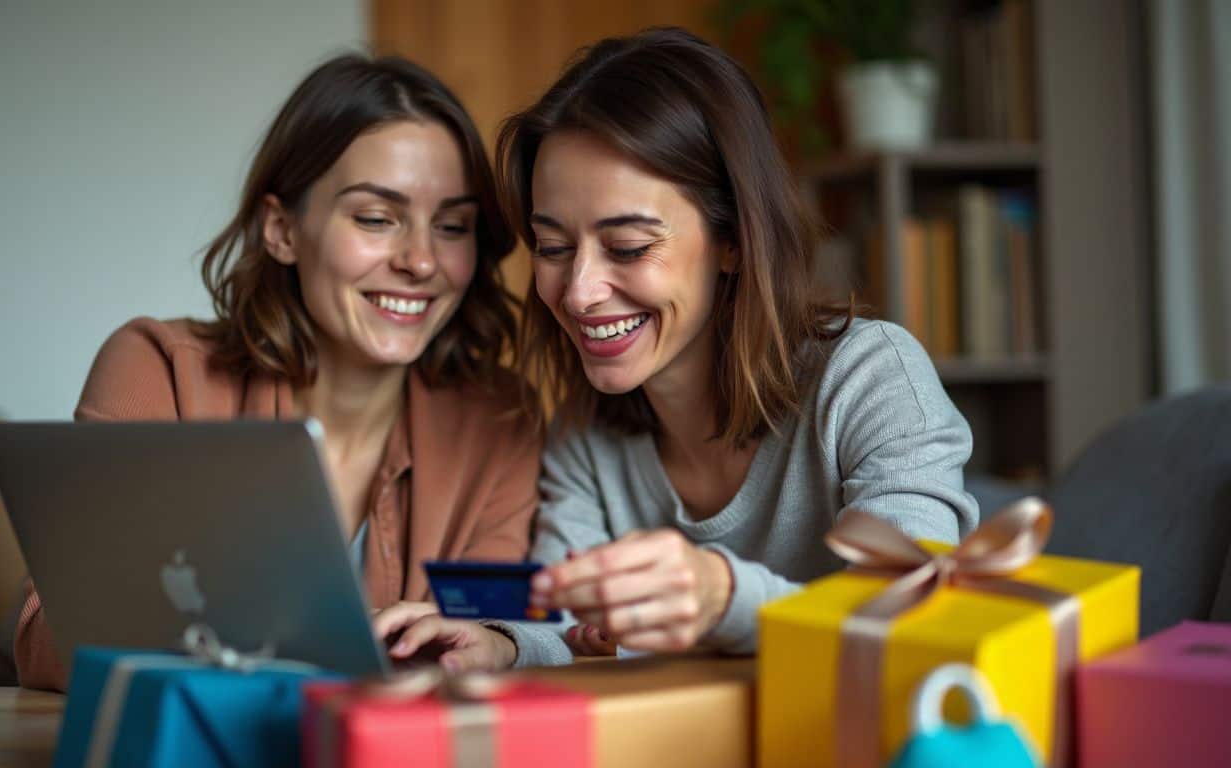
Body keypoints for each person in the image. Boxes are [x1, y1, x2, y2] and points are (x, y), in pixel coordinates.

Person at [374, 27, 978, 670]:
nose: (577, 293)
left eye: (629, 247)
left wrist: (721, 598)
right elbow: (564, 623)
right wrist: (498, 643)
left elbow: (907, 614)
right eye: (552, 249)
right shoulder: (586, 434)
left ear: (734, 241)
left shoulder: (871, 378)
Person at [13, 53, 540, 690]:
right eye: (376, 218)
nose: (422, 261)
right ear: (282, 229)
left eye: (453, 226)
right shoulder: (157, 370)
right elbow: (49, 639)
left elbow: (484, 650)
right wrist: (335, 646)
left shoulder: (503, 421)